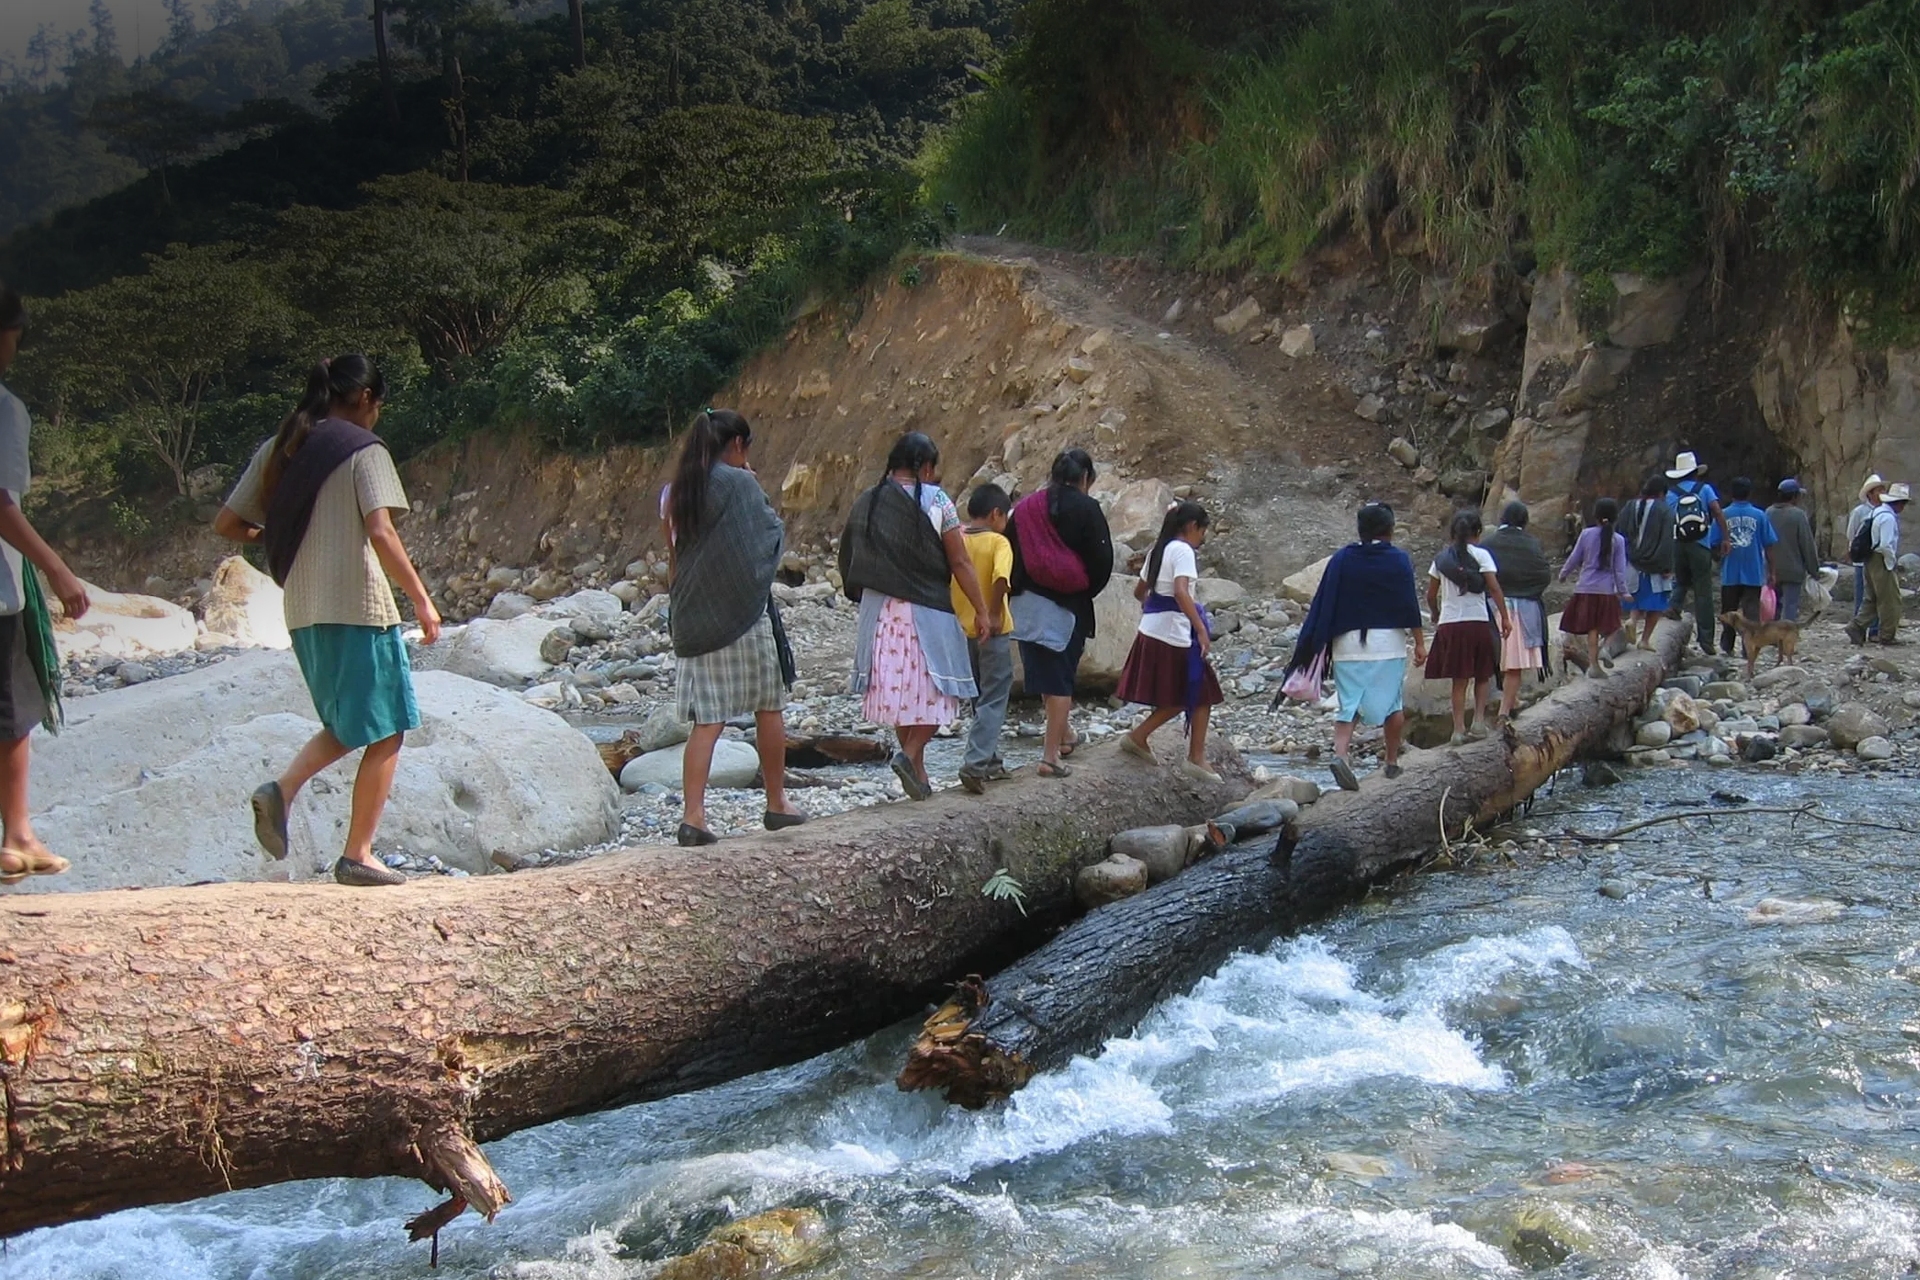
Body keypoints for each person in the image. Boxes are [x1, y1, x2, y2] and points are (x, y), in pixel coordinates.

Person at [216, 355, 440, 887]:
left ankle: (284, 792)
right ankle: (357, 852)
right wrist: (423, 601)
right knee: (389, 728)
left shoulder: (280, 447)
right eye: (379, 404)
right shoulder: (364, 450)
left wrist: (275, 538)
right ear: (365, 399)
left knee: (351, 722)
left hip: (301, 609)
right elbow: (381, 532)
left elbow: (227, 523)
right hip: (358, 605)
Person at [662, 410, 803, 846]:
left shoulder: (677, 490)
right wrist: (752, 483)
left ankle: (694, 816)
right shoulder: (739, 483)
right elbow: (766, 535)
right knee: (768, 706)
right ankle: (777, 802)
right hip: (741, 613)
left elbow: (677, 554)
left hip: (693, 614)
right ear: (737, 443)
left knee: (707, 720)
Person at [0, 282, 90, 886]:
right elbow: (2, 503)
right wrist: (57, 570)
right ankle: (16, 835)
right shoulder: (3, 407)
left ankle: (18, 837)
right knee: (13, 711)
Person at [840, 432, 987, 799]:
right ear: (924, 467)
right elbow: (959, 560)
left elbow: (849, 557)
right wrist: (982, 609)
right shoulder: (938, 501)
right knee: (939, 695)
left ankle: (918, 778)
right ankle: (908, 755)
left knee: (902, 696)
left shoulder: (867, 502)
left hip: (879, 616)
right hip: (925, 613)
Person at [1282, 502, 1425, 790]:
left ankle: (1341, 757)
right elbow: (1409, 604)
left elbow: (1325, 601)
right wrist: (1420, 643)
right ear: (1390, 530)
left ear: (1360, 529)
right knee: (1393, 704)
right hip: (1388, 643)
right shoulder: (1398, 560)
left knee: (1349, 703)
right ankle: (1392, 762)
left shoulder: (1343, 558)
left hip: (1347, 644)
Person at [1006, 448, 1114, 778]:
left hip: (1025, 604)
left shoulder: (1025, 508)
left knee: (1043, 674)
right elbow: (1102, 561)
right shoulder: (1088, 508)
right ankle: (1050, 756)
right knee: (1062, 681)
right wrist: (1081, 590)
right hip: (1067, 606)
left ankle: (1064, 736)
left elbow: (1009, 551)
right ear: (1084, 479)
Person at [1116, 501, 1226, 784]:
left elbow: (1140, 591)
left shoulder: (1157, 549)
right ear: (1192, 527)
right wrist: (1200, 628)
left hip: (1151, 629)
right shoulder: (1183, 550)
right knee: (1201, 691)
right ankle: (1195, 757)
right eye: (1203, 532)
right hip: (1172, 634)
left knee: (1181, 693)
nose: (1202, 538)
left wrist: (1155, 608)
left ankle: (1140, 737)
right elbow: (1181, 591)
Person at [1426, 510, 1510, 744]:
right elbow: (1493, 588)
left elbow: (1431, 594)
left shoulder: (1441, 559)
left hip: (1451, 624)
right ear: (1478, 533)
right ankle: (1479, 723)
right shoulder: (1482, 555)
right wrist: (1504, 617)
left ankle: (1458, 730)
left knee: (1459, 679)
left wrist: (1435, 613)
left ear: (1453, 533)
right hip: (1478, 622)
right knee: (1482, 674)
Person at [955, 484, 1015, 795]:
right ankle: (975, 763)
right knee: (995, 696)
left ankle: (991, 761)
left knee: (979, 698)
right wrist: (992, 615)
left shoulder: (956, 540)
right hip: (993, 629)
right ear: (995, 514)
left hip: (962, 629)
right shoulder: (998, 542)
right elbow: (1001, 580)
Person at [1484, 501, 1549, 725]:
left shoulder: (1489, 543)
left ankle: (1509, 702)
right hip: (1524, 609)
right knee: (1514, 663)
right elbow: (1543, 574)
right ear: (1525, 521)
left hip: (1492, 608)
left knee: (1498, 660)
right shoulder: (1532, 544)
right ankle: (1504, 711)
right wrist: (1529, 592)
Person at [1664, 451, 1731, 656]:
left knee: (1681, 580)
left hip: (1678, 543)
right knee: (1703, 591)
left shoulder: (1670, 493)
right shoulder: (1705, 489)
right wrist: (1725, 538)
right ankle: (1706, 638)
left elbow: (1667, 520)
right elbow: (1717, 512)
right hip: (1701, 544)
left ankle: (1674, 606)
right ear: (1695, 472)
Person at [1558, 498, 1632, 680]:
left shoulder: (1586, 534)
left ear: (1596, 516)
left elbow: (1575, 557)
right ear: (1616, 518)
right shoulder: (1619, 540)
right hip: (1606, 591)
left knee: (1592, 628)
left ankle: (1594, 666)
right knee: (1614, 625)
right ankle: (1605, 649)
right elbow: (1619, 569)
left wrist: (1563, 573)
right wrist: (1623, 591)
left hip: (1585, 588)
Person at [1716, 476, 1778, 655]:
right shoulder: (1759, 515)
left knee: (1728, 610)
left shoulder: (1724, 515)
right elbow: (1769, 545)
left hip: (1730, 571)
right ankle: (1749, 647)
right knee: (1751, 612)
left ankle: (1727, 645)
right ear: (1750, 493)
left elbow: (1713, 541)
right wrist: (1772, 570)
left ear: (1731, 494)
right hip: (1753, 571)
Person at [1618, 476, 1676, 648]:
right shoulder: (1664, 510)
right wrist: (1667, 566)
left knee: (1637, 596)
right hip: (1655, 565)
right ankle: (1644, 640)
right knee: (1656, 604)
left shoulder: (1629, 506)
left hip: (1632, 562)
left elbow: (1620, 531)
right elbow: (1667, 541)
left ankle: (1633, 620)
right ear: (1660, 493)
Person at [1849, 482, 1908, 646]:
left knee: (1872, 597)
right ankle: (1887, 635)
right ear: (1899, 503)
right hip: (1881, 559)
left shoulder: (1876, 513)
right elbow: (1885, 545)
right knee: (1890, 599)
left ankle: (1857, 625)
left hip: (1869, 559)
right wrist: (1891, 562)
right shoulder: (1888, 518)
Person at [1766, 478, 1820, 623]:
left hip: (1772, 569)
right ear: (1794, 496)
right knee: (1790, 607)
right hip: (1793, 570)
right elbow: (1807, 544)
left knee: (1772, 606)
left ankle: (1771, 636)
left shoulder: (1768, 513)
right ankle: (1785, 639)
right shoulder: (1798, 515)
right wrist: (1814, 569)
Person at [1848, 474, 1887, 639]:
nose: (1881, 493)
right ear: (1870, 493)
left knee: (1876, 594)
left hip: (1876, 559)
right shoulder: (1859, 512)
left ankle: (1874, 630)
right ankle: (1859, 630)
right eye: (1878, 490)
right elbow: (1851, 533)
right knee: (1862, 596)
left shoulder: (1884, 510)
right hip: (1862, 560)